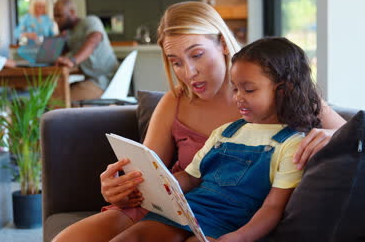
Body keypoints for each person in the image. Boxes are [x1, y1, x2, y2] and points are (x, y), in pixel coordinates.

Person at [51, 1, 346, 242]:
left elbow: (355, 134)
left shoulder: (275, 93)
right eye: (176, 61)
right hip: (170, 207)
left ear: (222, 44)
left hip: (227, 218)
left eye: (197, 54)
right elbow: (146, 177)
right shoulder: (175, 101)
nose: (189, 72)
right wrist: (118, 187)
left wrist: (331, 137)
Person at [111, 37, 320, 241]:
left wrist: (239, 237)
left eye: (249, 89)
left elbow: (273, 208)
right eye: (235, 88)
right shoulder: (224, 132)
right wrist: (158, 187)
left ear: (286, 89)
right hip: (190, 210)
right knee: (133, 236)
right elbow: (191, 177)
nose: (238, 97)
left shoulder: (292, 144)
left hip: (232, 224)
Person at [52, 0, 119, 101]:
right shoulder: (70, 34)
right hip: (90, 80)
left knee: (58, 100)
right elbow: (61, 57)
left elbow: (94, 40)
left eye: (60, 16)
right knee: (54, 93)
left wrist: (73, 61)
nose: (57, 20)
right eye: (55, 16)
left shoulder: (90, 21)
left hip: (105, 81)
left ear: (72, 12)